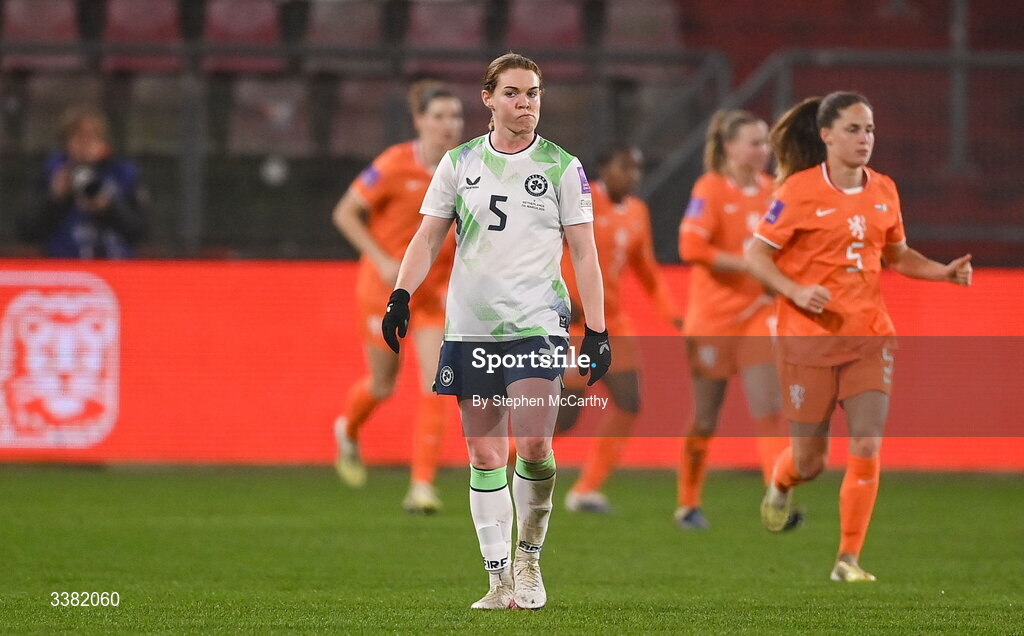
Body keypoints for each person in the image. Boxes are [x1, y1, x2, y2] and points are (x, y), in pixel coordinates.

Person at [381, 52, 610, 610]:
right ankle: (498, 578)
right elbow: (430, 237)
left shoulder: (562, 166)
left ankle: (530, 558)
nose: (525, 104)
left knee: (533, 443)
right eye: (513, 93)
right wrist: (400, 296)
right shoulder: (459, 163)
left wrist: (597, 331)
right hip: (473, 328)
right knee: (485, 456)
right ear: (487, 98)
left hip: (537, 325)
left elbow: (584, 250)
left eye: (533, 93)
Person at [746, 92, 972, 582]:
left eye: (869, 129)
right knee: (810, 462)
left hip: (870, 336)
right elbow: (756, 254)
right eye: (853, 129)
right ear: (826, 135)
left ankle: (847, 559)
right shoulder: (798, 192)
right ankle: (780, 484)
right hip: (807, 341)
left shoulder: (885, 189)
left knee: (867, 444)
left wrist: (943, 272)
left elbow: (899, 255)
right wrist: (794, 289)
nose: (864, 138)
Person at [331, 81, 463, 514]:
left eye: (456, 116)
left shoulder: (468, 170)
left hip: (429, 296)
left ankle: (421, 486)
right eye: (440, 116)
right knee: (383, 385)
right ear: (420, 121)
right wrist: (382, 260)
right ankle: (348, 430)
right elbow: (345, 213)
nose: (449, 125)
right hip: (383, 291)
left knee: (436, 383)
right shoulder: (393, 163)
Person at [675, 110, 795, 530]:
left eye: (766, 143)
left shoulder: (773, 191)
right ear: (729, 147)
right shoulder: (709, 189)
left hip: (757, 316)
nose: (763, 151)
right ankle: (688, 502)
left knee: (768, 407)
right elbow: (691, 246)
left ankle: (777, 499)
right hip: (711, 319)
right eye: (754, 142)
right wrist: (749, 265)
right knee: (706, 419)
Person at [555, 144, 683, 514]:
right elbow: (540, 251)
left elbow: (646, 270)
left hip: (612, 322)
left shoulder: (638, 212)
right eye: (626, 167)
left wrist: (672, 314)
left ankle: (586, 490)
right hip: (573, 323)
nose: (634, 176)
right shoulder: (577, 200)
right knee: (565, 416)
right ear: (604, 167)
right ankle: (499, 464)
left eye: (638, 168)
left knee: (629, 402)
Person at [19, 105, 147, 258]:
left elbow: (141, 232)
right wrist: (56, 199)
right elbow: (26, 231)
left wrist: (108, 207)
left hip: (115, 266)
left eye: (93, 136)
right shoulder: (50, 171)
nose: (86, 144)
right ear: (65, 141)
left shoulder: (122, 173)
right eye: (79, 137)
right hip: (64, 267)